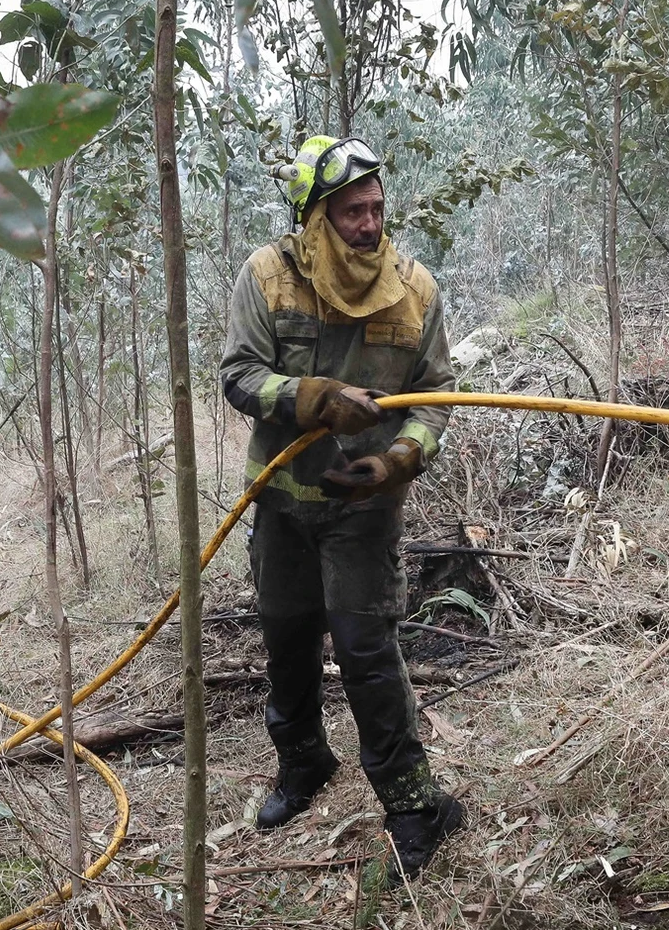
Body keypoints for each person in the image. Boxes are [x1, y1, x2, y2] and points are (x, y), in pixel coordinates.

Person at [219, 135, 464, 882]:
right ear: (315, 216)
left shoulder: (415, 289)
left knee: (365, 652)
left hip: (364, 510)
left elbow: (437, 396)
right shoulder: (268, 277)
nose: (369, 223)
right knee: (287, 640)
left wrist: (398, 459)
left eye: (377, 208)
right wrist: (312, 397)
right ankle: (303, 763)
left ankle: (415, 806)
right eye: (353, 210)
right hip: (282, 504)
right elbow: (238, 376)